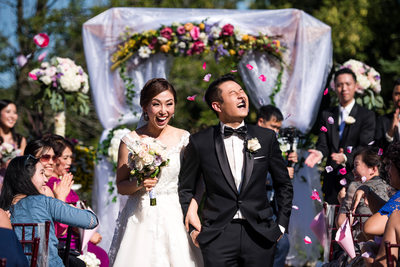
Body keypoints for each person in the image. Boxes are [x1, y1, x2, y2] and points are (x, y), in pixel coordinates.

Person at [179, 74, 293, 266]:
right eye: (233, 93)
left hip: (260, 234)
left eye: (242, 91)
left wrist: (281, 225)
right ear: (217, 106)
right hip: (217, 235)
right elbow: (185, 188)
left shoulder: (266, 138)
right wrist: (193, 230)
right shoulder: (200, 142)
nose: (242, 96)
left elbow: (284, 184)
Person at [109, 78, 202, 266]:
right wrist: (139, 183)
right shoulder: (129, 141)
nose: (163, 111)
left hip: (175, 214)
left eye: (169, 104)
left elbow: (197, 179)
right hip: (140, 215)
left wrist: (193, 209)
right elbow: (121, 186)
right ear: (145, 107)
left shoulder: (184, 138)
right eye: (155, 104)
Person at [0, 155, 98, 266]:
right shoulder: (44, 202)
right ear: (27, 176)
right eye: (41, 173)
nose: (46, 179)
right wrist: (64, 203)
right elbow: (91, 221)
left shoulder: (3, 210)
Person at [305, 68, 376, 204]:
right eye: (339, 85)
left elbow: (365, 146)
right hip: (331, 180)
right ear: (335, 88)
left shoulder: (367, 115)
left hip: (355, 178)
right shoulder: (327, 114)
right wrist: (320, 153)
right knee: (331, 222)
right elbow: (323, 143)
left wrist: (345, 157)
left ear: (355, 86)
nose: (344, 88)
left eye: (348, 84)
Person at [43, 134, 109, 267]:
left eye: (70, 158)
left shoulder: (60, 181)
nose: (69, 162)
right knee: (102, 257)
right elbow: (65, 216)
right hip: (68, 242)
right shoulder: (54, 184)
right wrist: (89, 235)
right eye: (65, 158)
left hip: (77, 238)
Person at [256, 104, 297, 267]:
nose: (276, 132)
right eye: (273, 127)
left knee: (282, 245)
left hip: (271, 208)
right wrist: (279, 174)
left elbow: (283, 185)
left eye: (278, 128)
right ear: (261, 122)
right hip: (254, 206)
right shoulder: (250, 143)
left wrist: (288, 166)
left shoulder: (273, 146)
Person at [351, 142, 400, 266]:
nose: (387, 169)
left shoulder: (397, 212)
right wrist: (366, 190)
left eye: (390, 165)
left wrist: (367, 250)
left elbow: (370, 227)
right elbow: (386, 215)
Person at [335, 146, 392, 238]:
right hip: (386, 242)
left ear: (373, 169)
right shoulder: (390, 188)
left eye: (356, 165)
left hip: (362, 245)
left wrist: (342, 201)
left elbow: (342, 225)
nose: (353, 171)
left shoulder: (356, 187)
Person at [0, 99, 26, 190]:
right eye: (8, 112)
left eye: (14, 112)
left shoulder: (20, 140)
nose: (12, 116)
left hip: (15, 187)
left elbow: (23, 168)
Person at [375, 78, 400, 151]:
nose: (399, 98)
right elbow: (378, 150)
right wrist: (390, 133)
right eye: (396, 94)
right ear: (392, 96)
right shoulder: (382, 120)